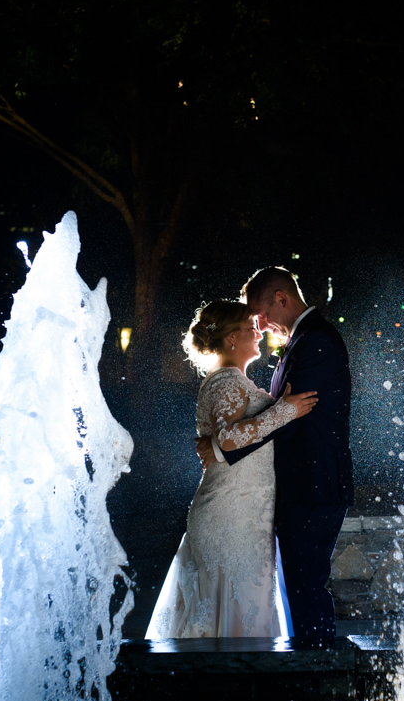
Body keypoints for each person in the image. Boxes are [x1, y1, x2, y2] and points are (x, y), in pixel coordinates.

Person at [198, 268, 354, 646]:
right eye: (252, 321)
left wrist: (220, 448)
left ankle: (316, 673)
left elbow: (292, 413)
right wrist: (226, 442)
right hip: (296, 487)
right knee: (300, 587)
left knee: (306, 587)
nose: (260, 326)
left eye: (260, 314)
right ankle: (308, 670)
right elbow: (282, 411)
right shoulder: (303, 339)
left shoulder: (314, 340)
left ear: (281, 298)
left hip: (313, 485)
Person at [146, 301, 317, 638]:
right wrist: (285, 411)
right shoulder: (227, 381)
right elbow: (228, 439)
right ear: (230, 339)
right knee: (231, 618)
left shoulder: (236, 381)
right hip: (230, 517)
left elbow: (232, 440)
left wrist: (278, 408)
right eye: (250, 327)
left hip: (246, 515)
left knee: (241, 614)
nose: (258, 332)